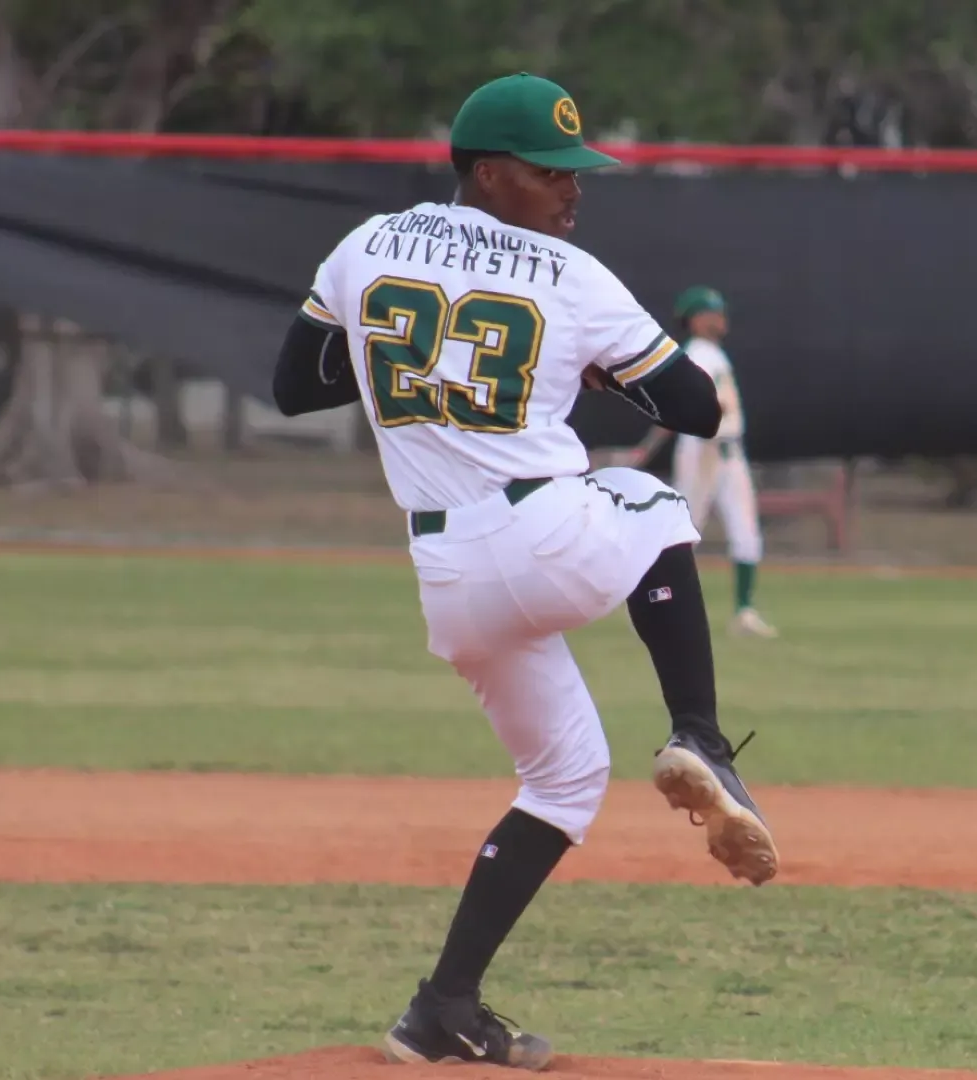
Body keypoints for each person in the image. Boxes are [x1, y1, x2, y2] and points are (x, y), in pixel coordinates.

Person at [268, 73, 779, 1072]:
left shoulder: (365, 246)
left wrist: (418, 367)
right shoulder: (569, 275)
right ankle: (703, 738)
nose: (573, 190)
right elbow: (696, 409)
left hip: (448, 575)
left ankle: (440, 1008)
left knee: (565, 778)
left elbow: (297, 385)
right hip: (543, 535)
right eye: (551, 173)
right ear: (491, 172)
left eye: (575, 173)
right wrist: (597, 368)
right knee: (656, 504)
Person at [625, 287, 777, 638]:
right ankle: (653, 605)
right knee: (682, 532)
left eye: (720, 311)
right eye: (712, 312)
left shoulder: (714, 353)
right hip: (703, 449)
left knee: (746, 532)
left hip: (728, 450)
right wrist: (648, 448)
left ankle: (744, 611)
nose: (720, 318)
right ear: (694, 319)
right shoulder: (696, 353)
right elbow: (686, 406)